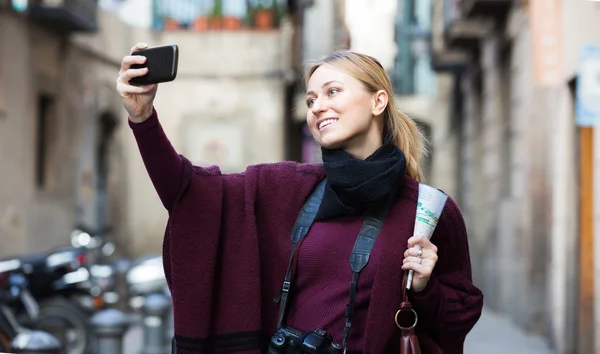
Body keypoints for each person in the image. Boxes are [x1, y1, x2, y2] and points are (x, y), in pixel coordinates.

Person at [117, 43, 483, 354]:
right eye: (311, 99)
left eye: (332, 92)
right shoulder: (289, 189)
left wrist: (425, 288)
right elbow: (188, 192)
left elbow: (456, 323)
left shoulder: (428, 210)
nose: (317, 106)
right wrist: (143, 116)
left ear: (378, 101)